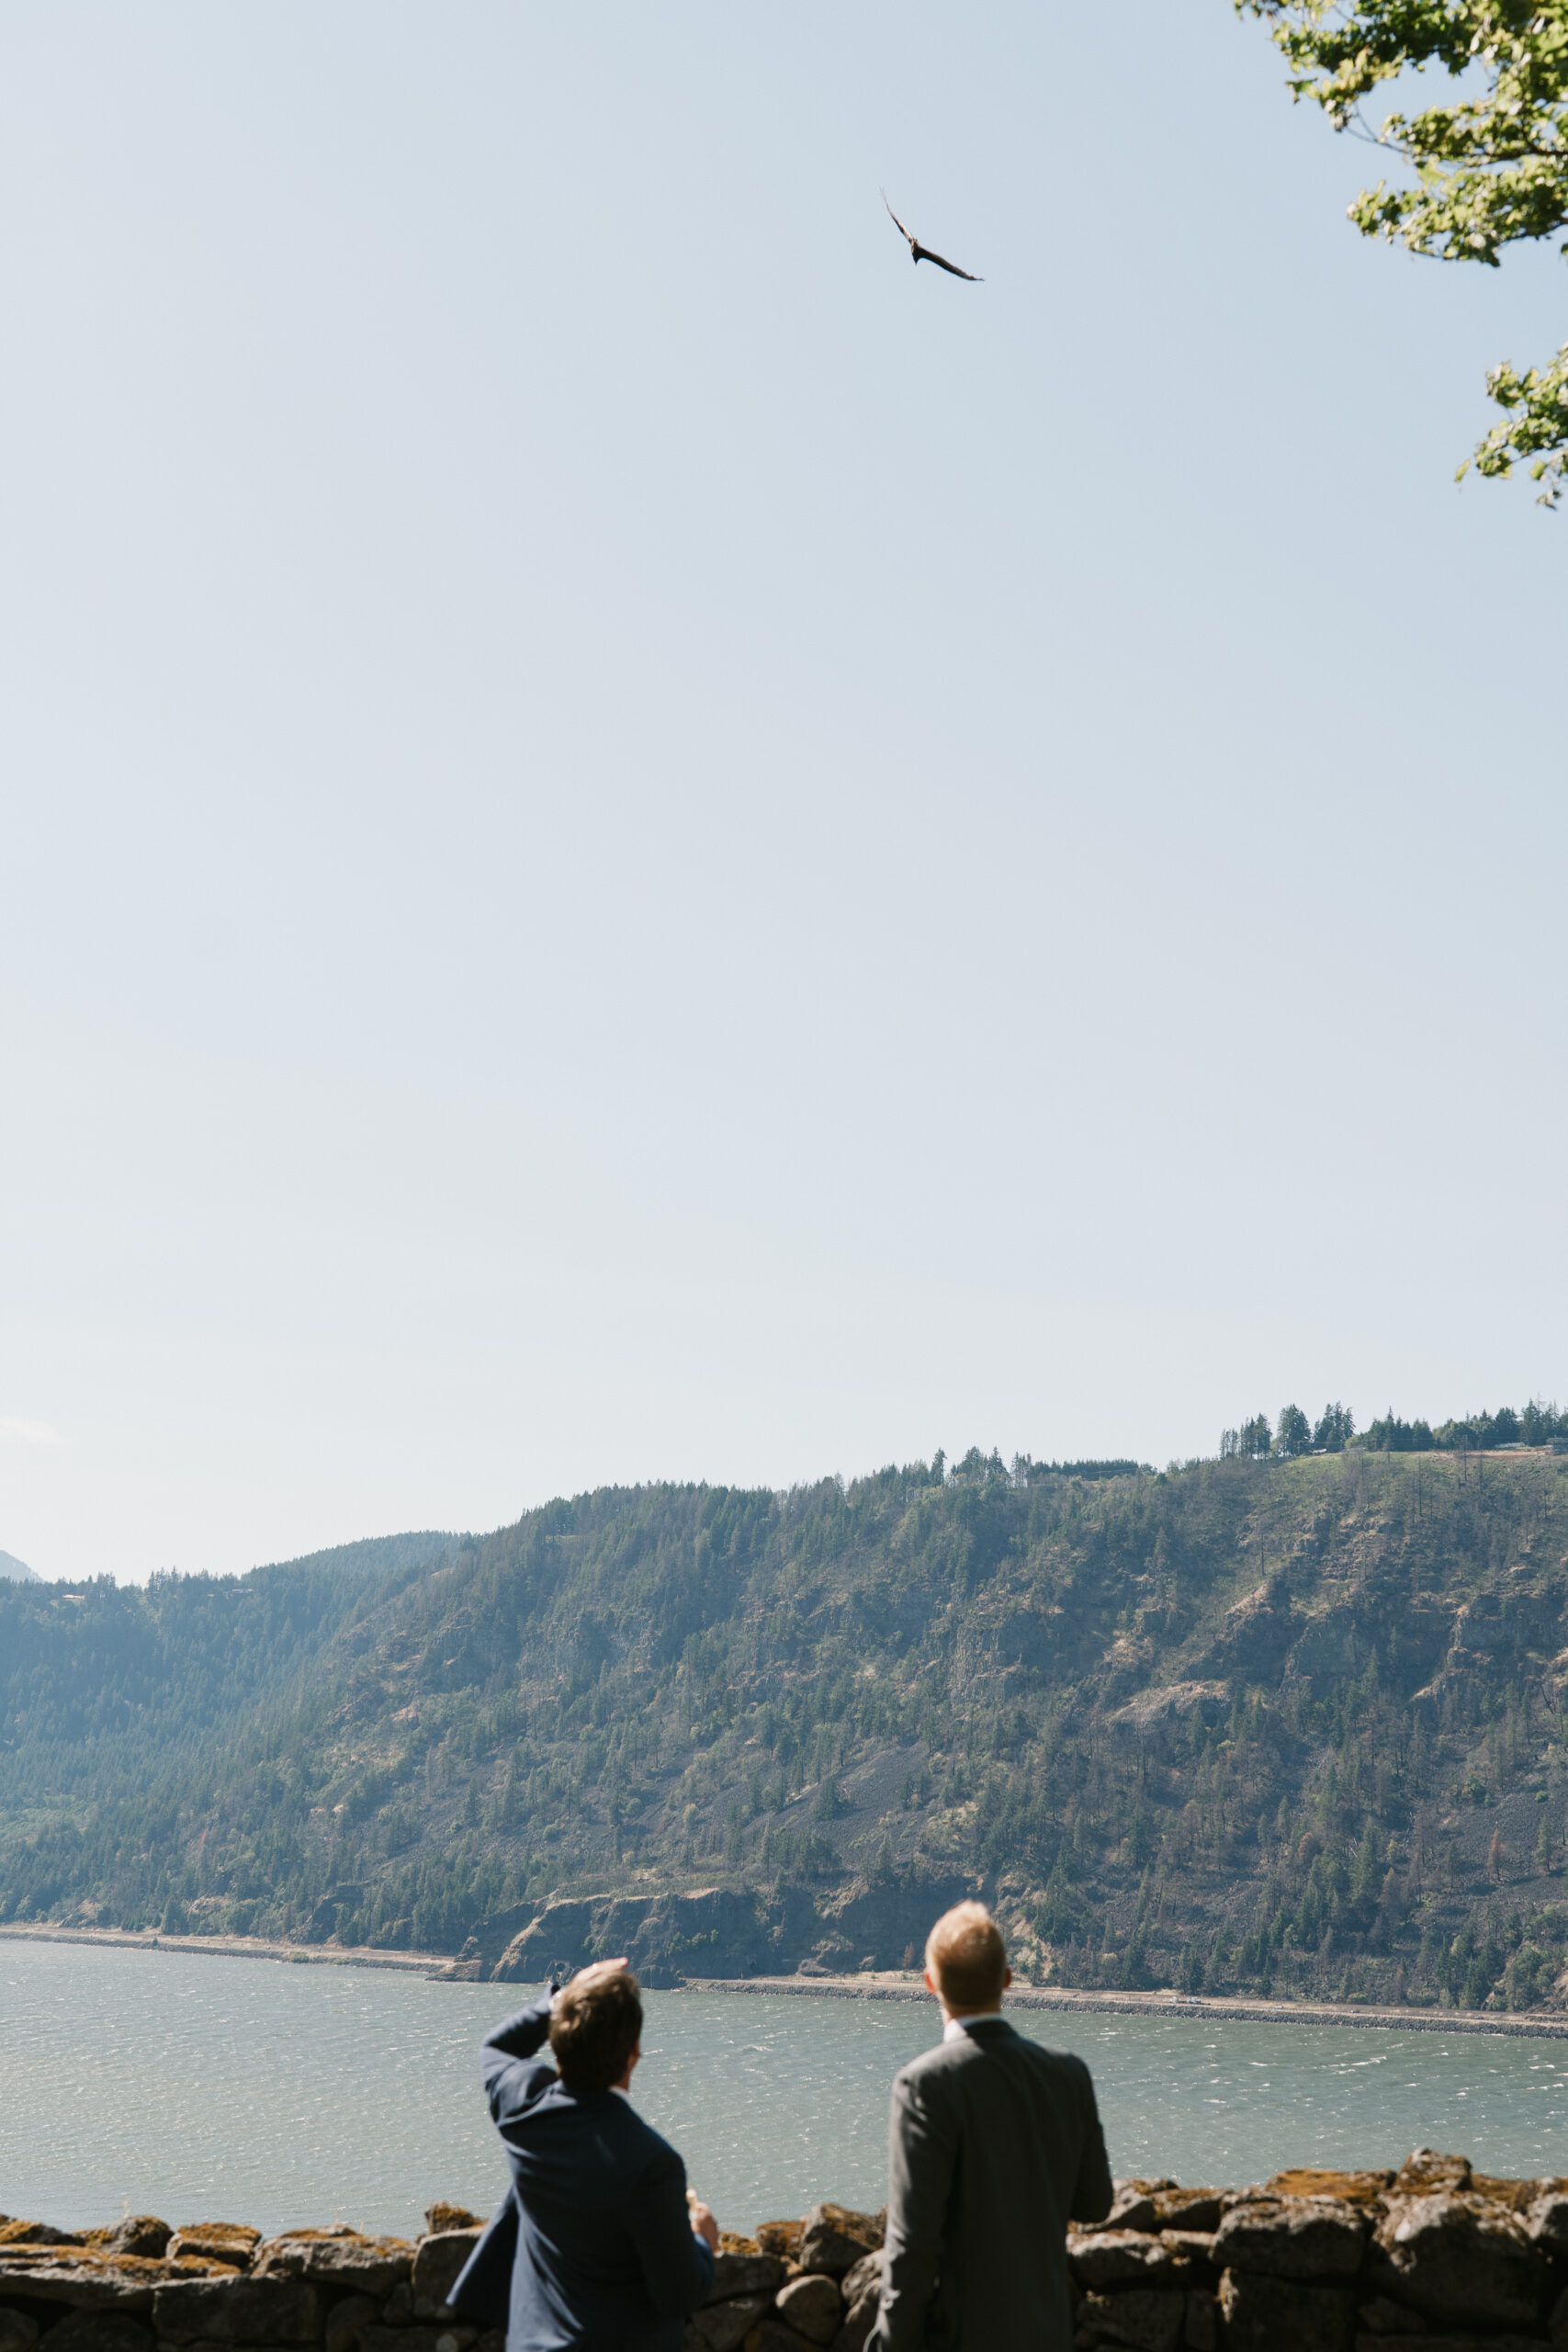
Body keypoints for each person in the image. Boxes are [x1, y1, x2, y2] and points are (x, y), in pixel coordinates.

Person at [868, 1902, 1112, 2352]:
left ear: (929, 1984)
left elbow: (912, 2243)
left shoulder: (923, 2085)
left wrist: (890, 2343)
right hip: (1047, 2334)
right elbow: (1095, 2202)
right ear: (1007, 1979)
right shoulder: (1069, 2074)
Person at [450, 1957, 716, 2352]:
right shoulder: (652, 2162)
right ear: (634, 2054)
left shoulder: (525, 2112)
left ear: (557, 2042)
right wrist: (703, 2243)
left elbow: (498, 2047)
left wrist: (560, 2000)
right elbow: (677, 2295)